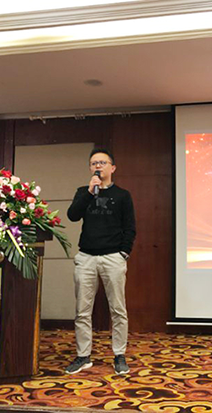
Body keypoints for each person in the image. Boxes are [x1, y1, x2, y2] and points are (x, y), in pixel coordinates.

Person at [65, 148, 136, 375]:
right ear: (90, 168)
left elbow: (130, 227)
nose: (98, 166)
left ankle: (119, 355)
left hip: (113, 257)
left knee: (118, 309)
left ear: (112, 168)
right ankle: (83, 356)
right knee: (82, 310)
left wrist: (123, 253)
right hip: (86, 257)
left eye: (103, 162)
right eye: (94, 163)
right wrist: (89, 192)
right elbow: (72, 215)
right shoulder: (83, 192)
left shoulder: (123, 195)